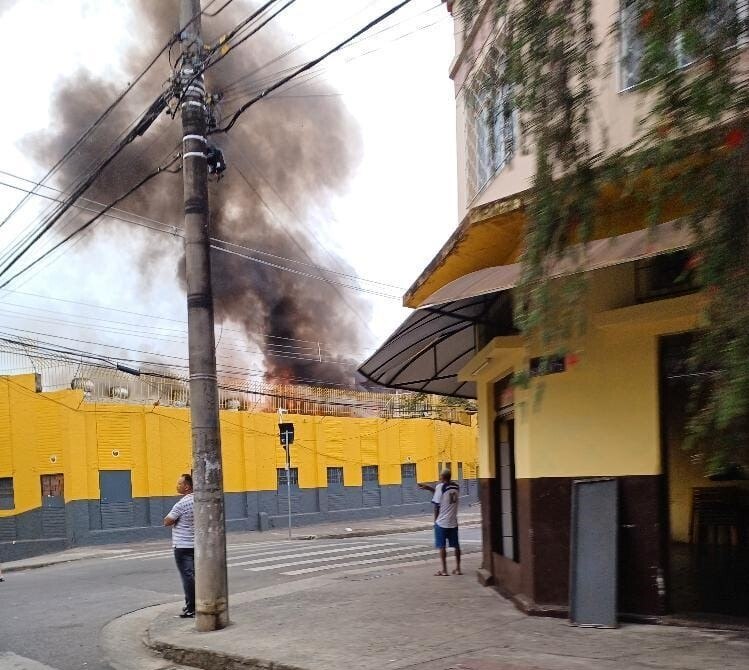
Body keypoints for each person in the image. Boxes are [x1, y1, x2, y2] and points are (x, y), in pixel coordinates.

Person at [419, 468, 461, 576]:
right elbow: (444, 495)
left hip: (442, 522)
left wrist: (435, 521)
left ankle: (444, 570)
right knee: (456, 545)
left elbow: (437, 505)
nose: (439, 477)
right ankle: (458, 568)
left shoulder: (440, 487)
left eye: (440, 476)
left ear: (443, 477)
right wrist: (430, 488)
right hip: (453, 521)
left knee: (442, 546)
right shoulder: (456, 487)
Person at [164, 473, 195, 618]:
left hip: (182, 545)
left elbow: (167, 521)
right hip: (195, 544)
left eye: (179, 483)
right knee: (193, 576)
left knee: (187, 577)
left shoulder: (182, 503)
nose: (177, 485)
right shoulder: (199, 500)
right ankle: (192, 604)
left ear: (187, 486)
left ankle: (191, 608)